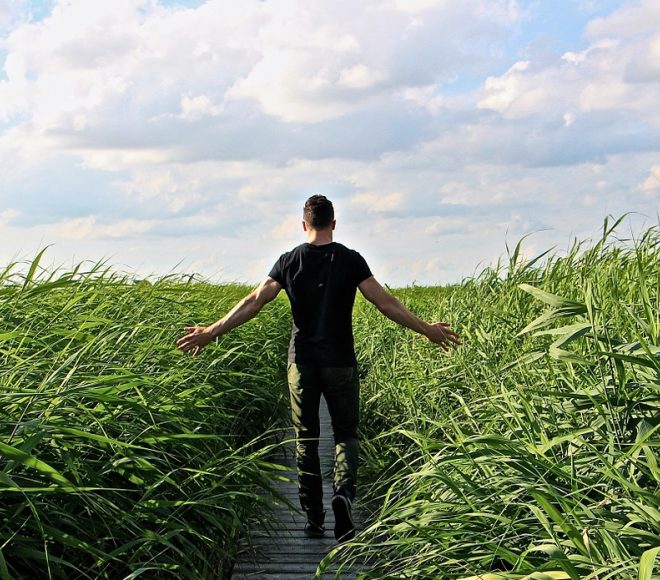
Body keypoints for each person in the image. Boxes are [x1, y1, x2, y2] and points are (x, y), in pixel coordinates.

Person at [177, 194, 461, 542]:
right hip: (340, 361)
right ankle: (343, 494)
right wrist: (427, 330)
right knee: (345, 434)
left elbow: (254, 302)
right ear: (334, 224)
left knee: (306, 439)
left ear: (303, 224)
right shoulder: (350, 260)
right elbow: (385, 303)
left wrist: (210, 332)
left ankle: (313, 518)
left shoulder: (289, 260)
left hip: (302, 364)